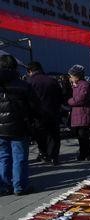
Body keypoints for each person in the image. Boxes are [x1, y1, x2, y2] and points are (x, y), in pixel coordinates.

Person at [0, 54, 39, 196]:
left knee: (3, 157)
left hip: (0, 128)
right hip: (18, 126)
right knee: (19, 157)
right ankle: (20, 186)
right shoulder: (23, 85)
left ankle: (4, 186)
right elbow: (34, 106)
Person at [26, 62, 63, 166]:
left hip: (37, 114)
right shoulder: (52, 81)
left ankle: (44, 154)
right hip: (53, 112)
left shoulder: (30, 82)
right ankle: (54, 156)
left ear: (30, 71)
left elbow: (28, 100)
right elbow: (60, 97)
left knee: (40, 135)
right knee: (54, 136)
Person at [67, 64, 90, 161]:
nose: (70, 78)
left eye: (71, 76)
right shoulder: (77, 85)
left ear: (77, 76)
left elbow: (80, 99)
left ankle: (88, 153)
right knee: (80, 136)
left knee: (82, 135)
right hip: (79, 114)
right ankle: (86, 153)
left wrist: (70, 101)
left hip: (83, 113)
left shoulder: (84, 85)